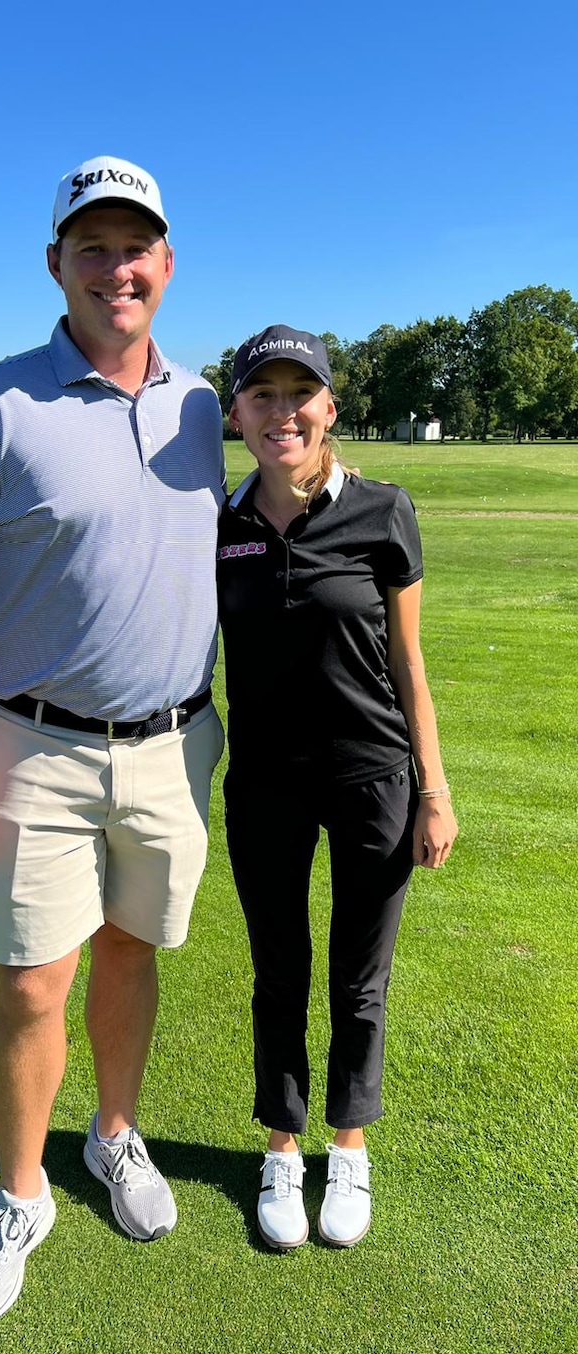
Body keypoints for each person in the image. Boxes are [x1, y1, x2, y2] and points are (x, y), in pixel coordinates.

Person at [0, 155, 225, 1321]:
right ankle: (20, 1189)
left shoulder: (201, 406)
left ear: (166, 266)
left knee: (134, 954)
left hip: (176, 746)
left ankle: (115, 1136)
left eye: (134, 246)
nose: (115, 267)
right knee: (35, 981)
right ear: (56, 265)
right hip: (31, 744)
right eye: (91, 247)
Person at [216, 325, 457, 1251]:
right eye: (262, 395)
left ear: (329, 407)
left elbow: (408, 659)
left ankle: (346, 1148)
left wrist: (433, 787)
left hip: (373, 777)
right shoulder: (220, 522)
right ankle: (282, 1144)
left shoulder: (383, 510)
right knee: (278, 972)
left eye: (299, 393)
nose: (283, 411)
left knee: (361, 980)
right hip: (266, 786)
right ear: (237, 413)